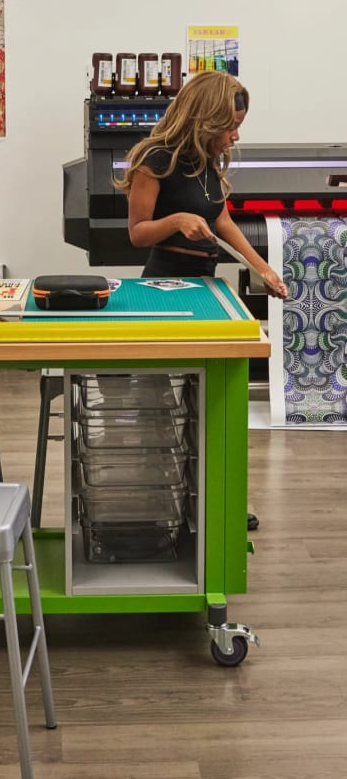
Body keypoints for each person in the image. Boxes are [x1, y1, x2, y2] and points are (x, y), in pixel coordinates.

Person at [115, 69, 287, 531]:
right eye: (229, 126)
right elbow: (137, 233)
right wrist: (177, 220)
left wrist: (262, 268)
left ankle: (216, 497)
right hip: (164, 290)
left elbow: (224, 221)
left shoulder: (207, 159)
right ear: (204, 118)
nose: (234, 136)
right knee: (161, 404)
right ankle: (162, 496)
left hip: (206, 290)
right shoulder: (155, 160)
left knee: (209, 400)